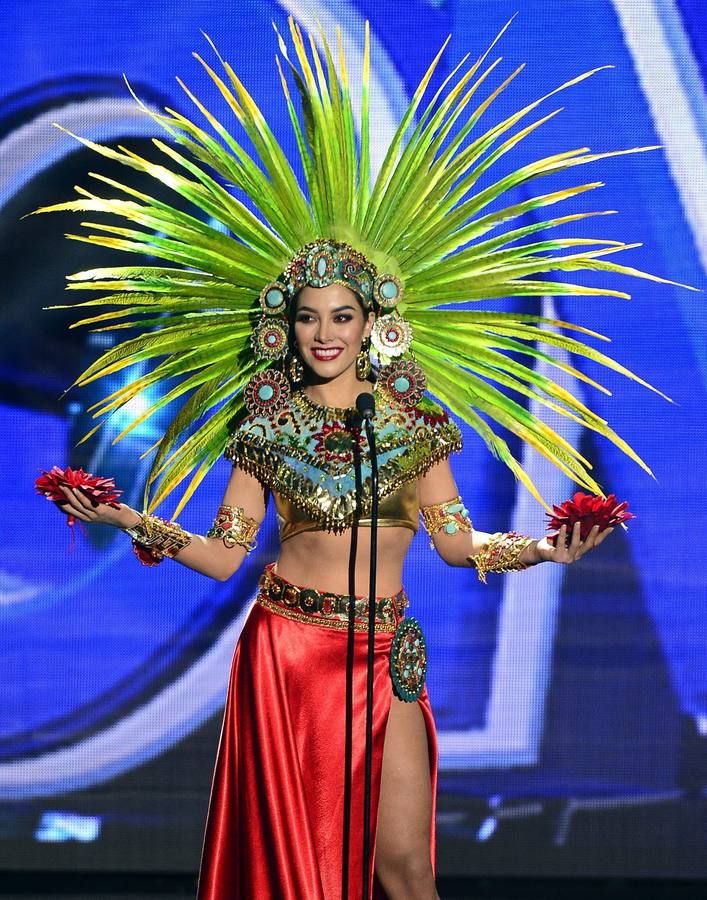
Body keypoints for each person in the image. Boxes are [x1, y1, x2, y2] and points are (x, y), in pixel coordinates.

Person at [42, 17, 674, 900]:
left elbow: (457, 546)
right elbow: (227, 551)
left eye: (341, 316)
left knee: (406, 866)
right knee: (302, 876)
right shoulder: (264, 428)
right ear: (286, 327)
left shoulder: (414, 428)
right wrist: (129, 519)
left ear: (374, 322)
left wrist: (542, 549)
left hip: (387, 654)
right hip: (290, 653)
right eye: (308, 317)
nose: (324, 333)